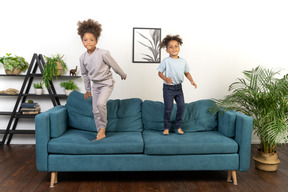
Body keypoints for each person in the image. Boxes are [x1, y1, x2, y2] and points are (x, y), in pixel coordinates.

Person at [77, 19, 127, 140]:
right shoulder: (82, 58)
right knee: (95, 110)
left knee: (100, 104)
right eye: (85, 40)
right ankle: (100, 132)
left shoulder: (103, 53)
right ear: (82, 41)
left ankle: (103, 128)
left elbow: (113, 64)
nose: (88, 42)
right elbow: (84, 74)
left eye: (91, 39)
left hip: (106, 84)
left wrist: (122, 74)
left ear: (97, 41)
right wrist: (88, 89)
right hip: (96, 85)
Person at [157, 35, 197, 135]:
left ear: (179, 48)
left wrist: (192, 81)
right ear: (167, 50)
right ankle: (166, 127)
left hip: (178, 88)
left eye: (176, 46)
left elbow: (187, 73)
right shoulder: (166, 61)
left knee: (181, 106)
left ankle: (178, 126)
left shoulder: (183, 61)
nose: (174, 49)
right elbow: (159, 72)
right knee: (168, 108)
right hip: (168, 88)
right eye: (171, 47)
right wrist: (165, 79)